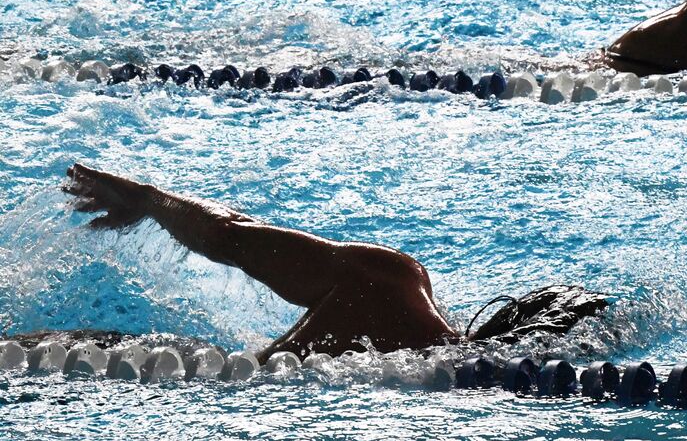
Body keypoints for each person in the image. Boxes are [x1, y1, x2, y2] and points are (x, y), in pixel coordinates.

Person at [60, 164, 609, 360]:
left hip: (176, 370)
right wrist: (149, 199)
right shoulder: (391, 290)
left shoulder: (396, 282)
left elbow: (234, 236)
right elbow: (239, 239)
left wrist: (152, 200)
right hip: (175, 371)